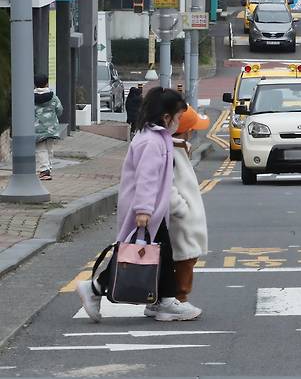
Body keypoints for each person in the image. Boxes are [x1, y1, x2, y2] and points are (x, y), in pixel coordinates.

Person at [76, 87, 201, 322]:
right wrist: (143, 210)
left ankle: (162, 301)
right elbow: (146, 177)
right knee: (135, 253)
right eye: (177, 117)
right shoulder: (151, 142)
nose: (178, 122)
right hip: (145, 210)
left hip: (152, 210)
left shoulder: (154, 138)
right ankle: (95, 289)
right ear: (166, 118)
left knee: (149, 253)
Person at [148, 106, 209, 318]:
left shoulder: (176, 147)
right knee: (185, 258)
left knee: (177, 257)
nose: (193, 132)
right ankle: (177, 300)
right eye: (191, 128)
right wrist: (181, 208)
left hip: (181, 216)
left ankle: (159, 300)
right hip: (180, 218)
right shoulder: (170, 152)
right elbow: (168, 186)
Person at [34, 74, 63, 181]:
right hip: (52, 128)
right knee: (49, 149)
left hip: (37, 129)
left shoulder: (31, 97)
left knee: (40, 149)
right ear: (46, 83)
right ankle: (48, 167)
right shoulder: (53, 96)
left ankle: (44, 170)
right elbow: (59, 110)